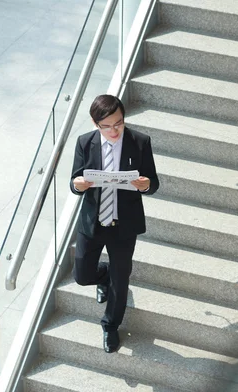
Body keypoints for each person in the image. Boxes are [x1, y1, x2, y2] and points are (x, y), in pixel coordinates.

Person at [70, 94, 159, 353]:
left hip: (124, 225)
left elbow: (153, 182)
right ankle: (102, 275)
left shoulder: (140, 142)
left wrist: (146, 186)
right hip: (93, 222)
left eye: (118, 123)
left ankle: (110, 326)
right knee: (82, 276)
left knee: (121, 281)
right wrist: (77, 185)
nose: (113, 130)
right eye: (106, 126)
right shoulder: (85, 142)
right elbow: (76, 178)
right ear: (95, 123)